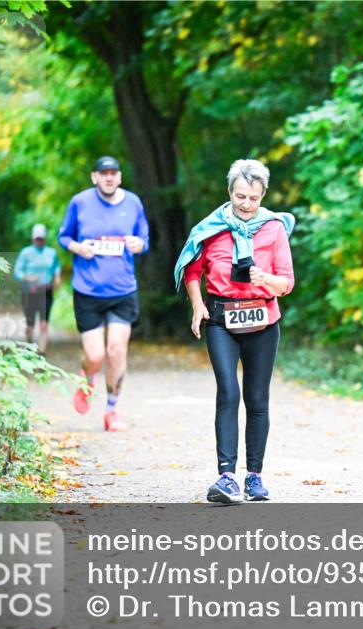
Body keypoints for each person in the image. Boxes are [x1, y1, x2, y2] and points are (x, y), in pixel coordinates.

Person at [174, 159, 295, 503]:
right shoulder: (211, 227)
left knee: (257, 399)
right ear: (229, 193)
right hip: (221, 320)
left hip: (263, 320)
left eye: (254, 198)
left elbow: (286, 281)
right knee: (228, 391)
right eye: (240, 196)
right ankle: (226, 477)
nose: (246, 204)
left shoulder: (273, 228)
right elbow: (192, 270)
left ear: (263, 196)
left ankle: (254, 477)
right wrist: (197, 306)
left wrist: (264, 279)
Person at [58, 156, 149, 432]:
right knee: (96, 355)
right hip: (88, 289)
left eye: (113, 173)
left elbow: (143, 240)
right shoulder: (80, 202)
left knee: (117, 349)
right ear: (94, 177)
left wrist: (138, 244)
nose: (109, 178)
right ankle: (87, 377)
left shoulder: (133, 203)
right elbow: (63, 237)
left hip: (122, 289)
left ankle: (111, 410)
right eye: (103, 173)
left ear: (120, 177)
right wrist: (78, 248)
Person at [13, 223, 61, 353]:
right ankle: (29, 347)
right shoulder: (26, 253)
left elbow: (57, 266)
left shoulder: (51, 253)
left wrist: (57, 276)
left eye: (41, 238)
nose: (39, 241)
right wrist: (27, 277)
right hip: (29, 292)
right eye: (37, 238)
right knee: (30, 324)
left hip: (45, 291)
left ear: (45, 238)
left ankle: (42, 353)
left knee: (44, 323)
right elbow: (17, 272)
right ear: (33, 238)